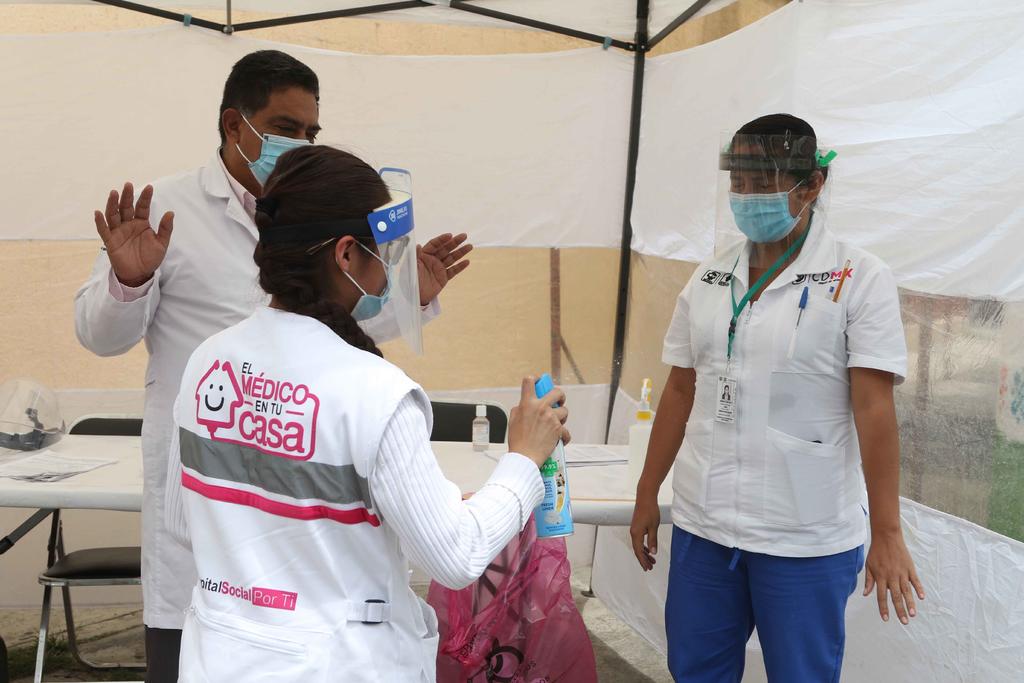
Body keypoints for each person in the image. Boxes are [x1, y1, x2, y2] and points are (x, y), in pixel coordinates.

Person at [73, 50, 471, 681]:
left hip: (302, 503)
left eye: (310, 132)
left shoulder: (318, 214)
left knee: (299, 644)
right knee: (195, 650)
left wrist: (407, 298)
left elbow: (342, 330)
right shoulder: (167, 211)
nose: (300, 144)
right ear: (234, 125)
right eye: (285, 128)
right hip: (210, 499)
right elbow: (99, 337)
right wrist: (130, 280)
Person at [163, 144, 566, 682]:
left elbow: (183, 522)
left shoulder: (206, 362)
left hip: (220, 661)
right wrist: (523, 459)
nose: (390, 272)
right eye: (385, 254)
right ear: (347, 255)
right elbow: (456, 556)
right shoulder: (375, 390)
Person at [629, 114, 925, 682]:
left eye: (763, 182)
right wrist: (648, 491)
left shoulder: (857, 277)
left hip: (804, 536)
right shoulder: (711, 276)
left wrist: (888, 530)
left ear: (812, 185)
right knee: (695, 671)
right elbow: (681, 388)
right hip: (706, 526)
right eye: (738, 183)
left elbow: (874, 410)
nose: (746, 196)